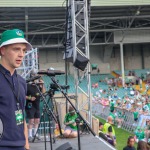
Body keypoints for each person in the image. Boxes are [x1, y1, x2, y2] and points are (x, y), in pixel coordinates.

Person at [0, 29, 32, 150]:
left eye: (23, 50)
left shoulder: (22, 82)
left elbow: (22, 114)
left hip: (20, 145)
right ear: (2, 50)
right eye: (16, 49)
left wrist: (26, 144)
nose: (21, 54)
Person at [25, 70, 46, 141]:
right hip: (30, 105)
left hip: (37, 105)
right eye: (34, 75)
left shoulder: (38, 85)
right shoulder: (27, 85)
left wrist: (42, 85)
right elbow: (23, 95)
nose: (35, 77)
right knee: (31, 120)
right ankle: (30, 135)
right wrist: (30, 98)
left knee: (37, 120)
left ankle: (35, 134)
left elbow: (43, 93)